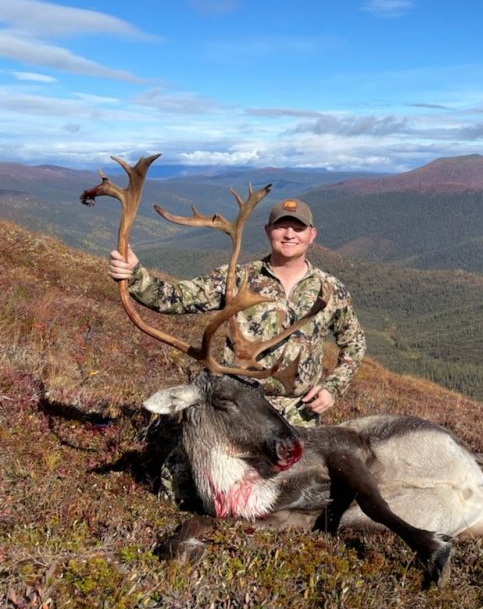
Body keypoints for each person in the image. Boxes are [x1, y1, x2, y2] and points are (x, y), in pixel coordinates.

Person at [109, 197, 367, 504]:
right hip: (234, 407)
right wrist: (135, 274)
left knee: (300, 495)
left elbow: (354, 343)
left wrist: (333, 387)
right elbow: (175, 298)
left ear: (312, 235)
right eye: (281, 226)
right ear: (268, 231)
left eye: (297, 228)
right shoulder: (237, 278)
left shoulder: (331, 289)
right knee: (175, 485)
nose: (289, 234)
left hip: (294, 412)